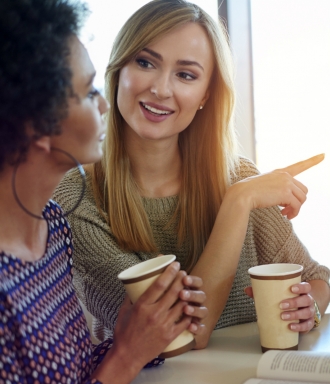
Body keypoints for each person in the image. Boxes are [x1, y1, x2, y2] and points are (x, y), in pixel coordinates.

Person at [54, 0, 330, 349]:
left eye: (185, 74)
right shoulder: (76, 198)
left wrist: (307, 309)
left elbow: (317, 278)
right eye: (145, 62)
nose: (161, 89)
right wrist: (237, 203)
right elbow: (179, 337)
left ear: (205, 95)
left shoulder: (239, 176)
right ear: (118, 69)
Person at [0, 1, 208, 384]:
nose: (104, 105)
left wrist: (140, 334)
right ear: (37, 121)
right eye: (89, 91)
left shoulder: (52, 226)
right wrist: (127, 357)